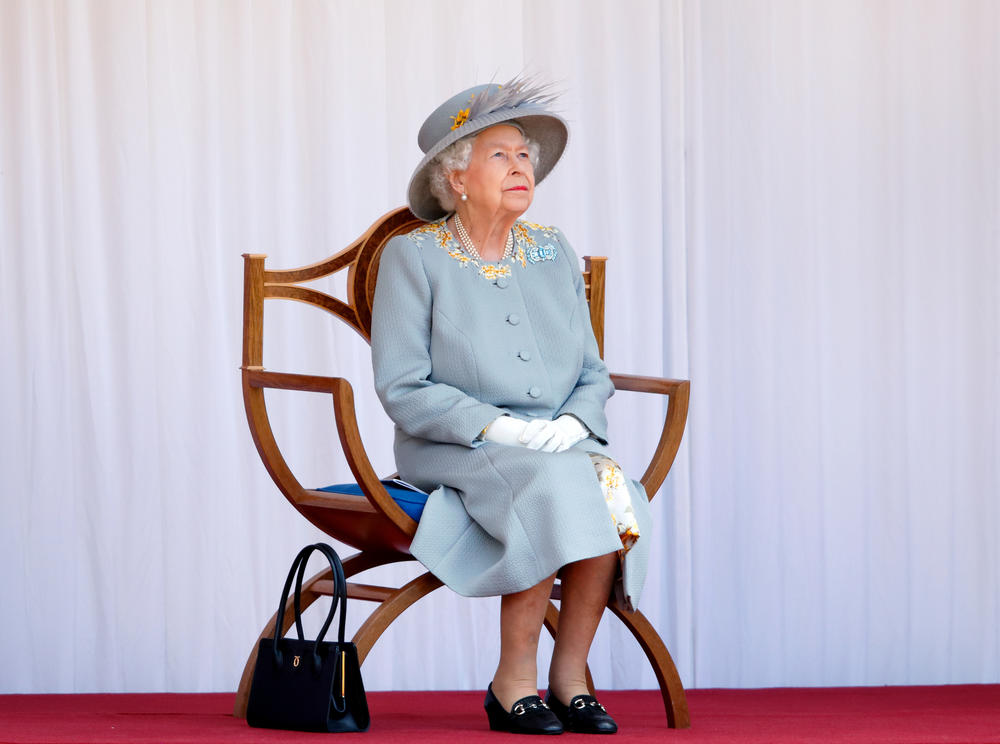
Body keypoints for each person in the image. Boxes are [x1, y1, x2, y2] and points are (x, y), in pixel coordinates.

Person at [371, 76, 652, 735]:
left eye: (524, 154)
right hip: (454, 447)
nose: (521, 165)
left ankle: (571, 676)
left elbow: (590, 368)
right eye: (499, 154)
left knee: (608, 484)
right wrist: (496, 427)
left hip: (556, 440)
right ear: (457, 177)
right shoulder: (411, 258)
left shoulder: (551, 251)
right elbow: (403, 386)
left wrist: (575, 423)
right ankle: (512, 682)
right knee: (555, 486)